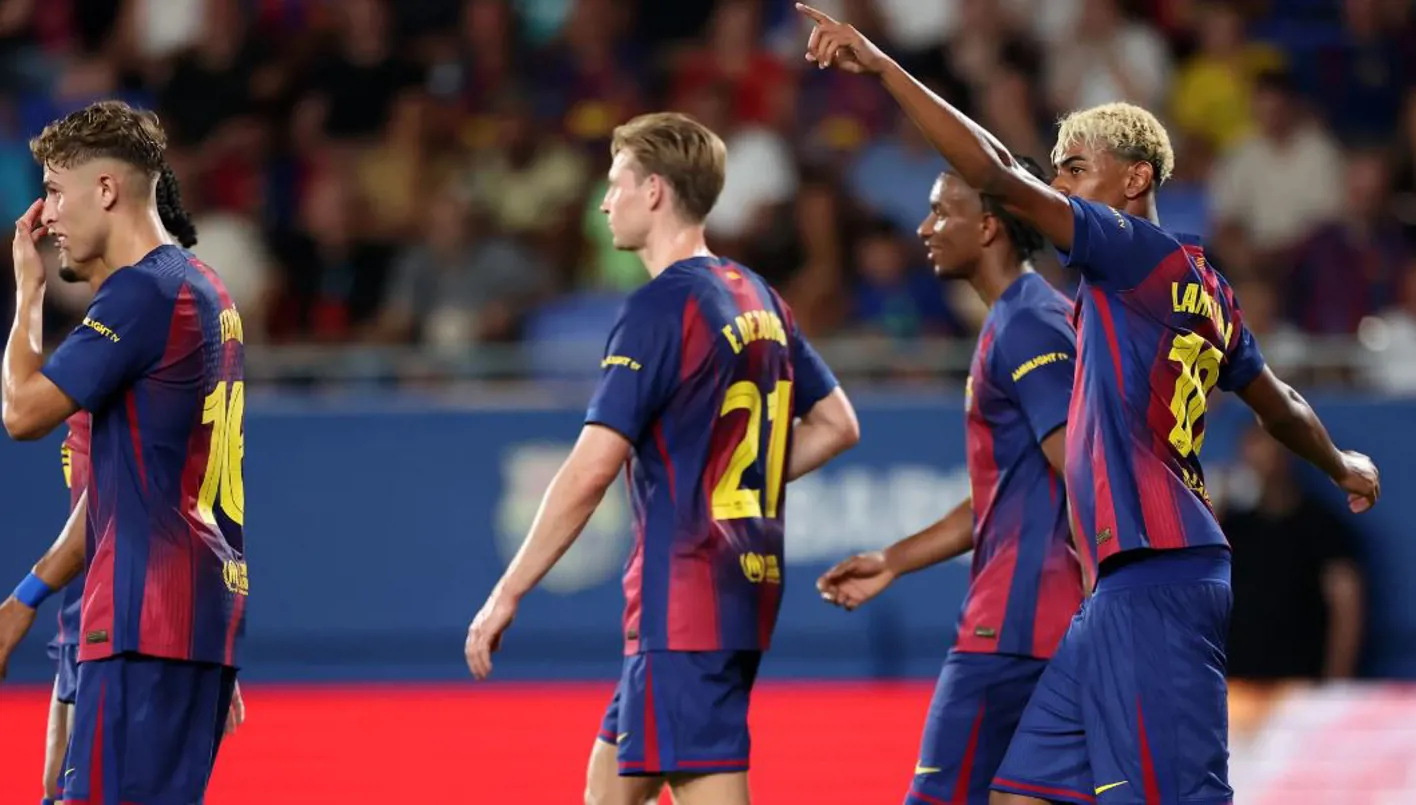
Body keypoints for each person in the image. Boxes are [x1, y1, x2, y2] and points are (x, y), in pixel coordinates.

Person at [794, 6, 1381, 804]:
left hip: (1159, 574)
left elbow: (998, 174)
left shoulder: (1127, 250)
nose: (1060, 186)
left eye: (1074, 167)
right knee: (1021, 792)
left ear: (1135, 180)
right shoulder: (1205, 289)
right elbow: (1280, 405)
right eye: (1058, 171)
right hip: (1121, 586)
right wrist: (1341, 462)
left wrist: (885, 67)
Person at [464, 111, 861, 805]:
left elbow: (590, 469)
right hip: (742, 585)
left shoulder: (660, 307)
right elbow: (836, 425)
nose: (604, 202)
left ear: (654, 191)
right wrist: (733, 470)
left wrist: (509, 590)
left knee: (694, 784)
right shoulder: (758, 295)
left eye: (615, 182)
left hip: (685, 596)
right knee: (609, 788)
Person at [0, 100, 248, 804]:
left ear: (106, 190)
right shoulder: (203, 289)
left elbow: (21, 413)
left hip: (145, 617)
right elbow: (137, 485)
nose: (45, 215)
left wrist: (27, 293)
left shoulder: (142, 294)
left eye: (54, 191)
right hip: (180, 616)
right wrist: (30, 600)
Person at [817, 160, 1085, 805]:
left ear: (989, 227)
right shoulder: (1027, 316)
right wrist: (894, 560)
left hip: (1013, 629)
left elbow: (1083, 469)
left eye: (941, 212)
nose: (924, 227)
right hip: (1041, 624)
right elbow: (1011, 493)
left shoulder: (1028, 326)